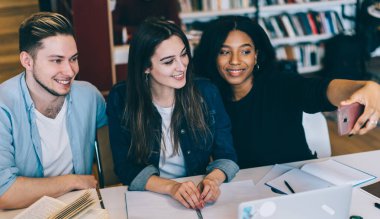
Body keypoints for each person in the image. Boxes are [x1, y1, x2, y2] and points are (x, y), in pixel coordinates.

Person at [193, 16, 380, 169]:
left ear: (256, 54)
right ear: (213, 55)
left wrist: (364, 87)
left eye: (245, 52)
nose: (235, 61)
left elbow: (320, 90)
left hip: (296, 181)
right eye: (224, 52)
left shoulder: (281, 84)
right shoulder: (207, 97)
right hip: (245, 190)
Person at [107, 18, 239, 209]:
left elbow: (227, 154)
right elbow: (124, 167)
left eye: (183, 55)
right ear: (146, 66)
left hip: (197, 193)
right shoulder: (121, 98)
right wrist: (171, 187)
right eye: (168, 61)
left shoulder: (206, 92)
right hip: (150, 196)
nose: (181, 66)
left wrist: (213, 180)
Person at [0, 12, 107, 209]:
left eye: (73, 59)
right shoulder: (3, 106)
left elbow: (113, 144)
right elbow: (4, 193)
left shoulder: (89, 97)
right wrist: (73, 181)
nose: (70, 71)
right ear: (27, 61)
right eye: (57, 60)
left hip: (81, 208)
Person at [112, 0, 181, 44]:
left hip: (161, 46)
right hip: (131, 48)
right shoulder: (124, 2)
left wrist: (135, 31)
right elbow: (111, 28)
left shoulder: (168, 2)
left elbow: (175, 26)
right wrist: (151, 30)